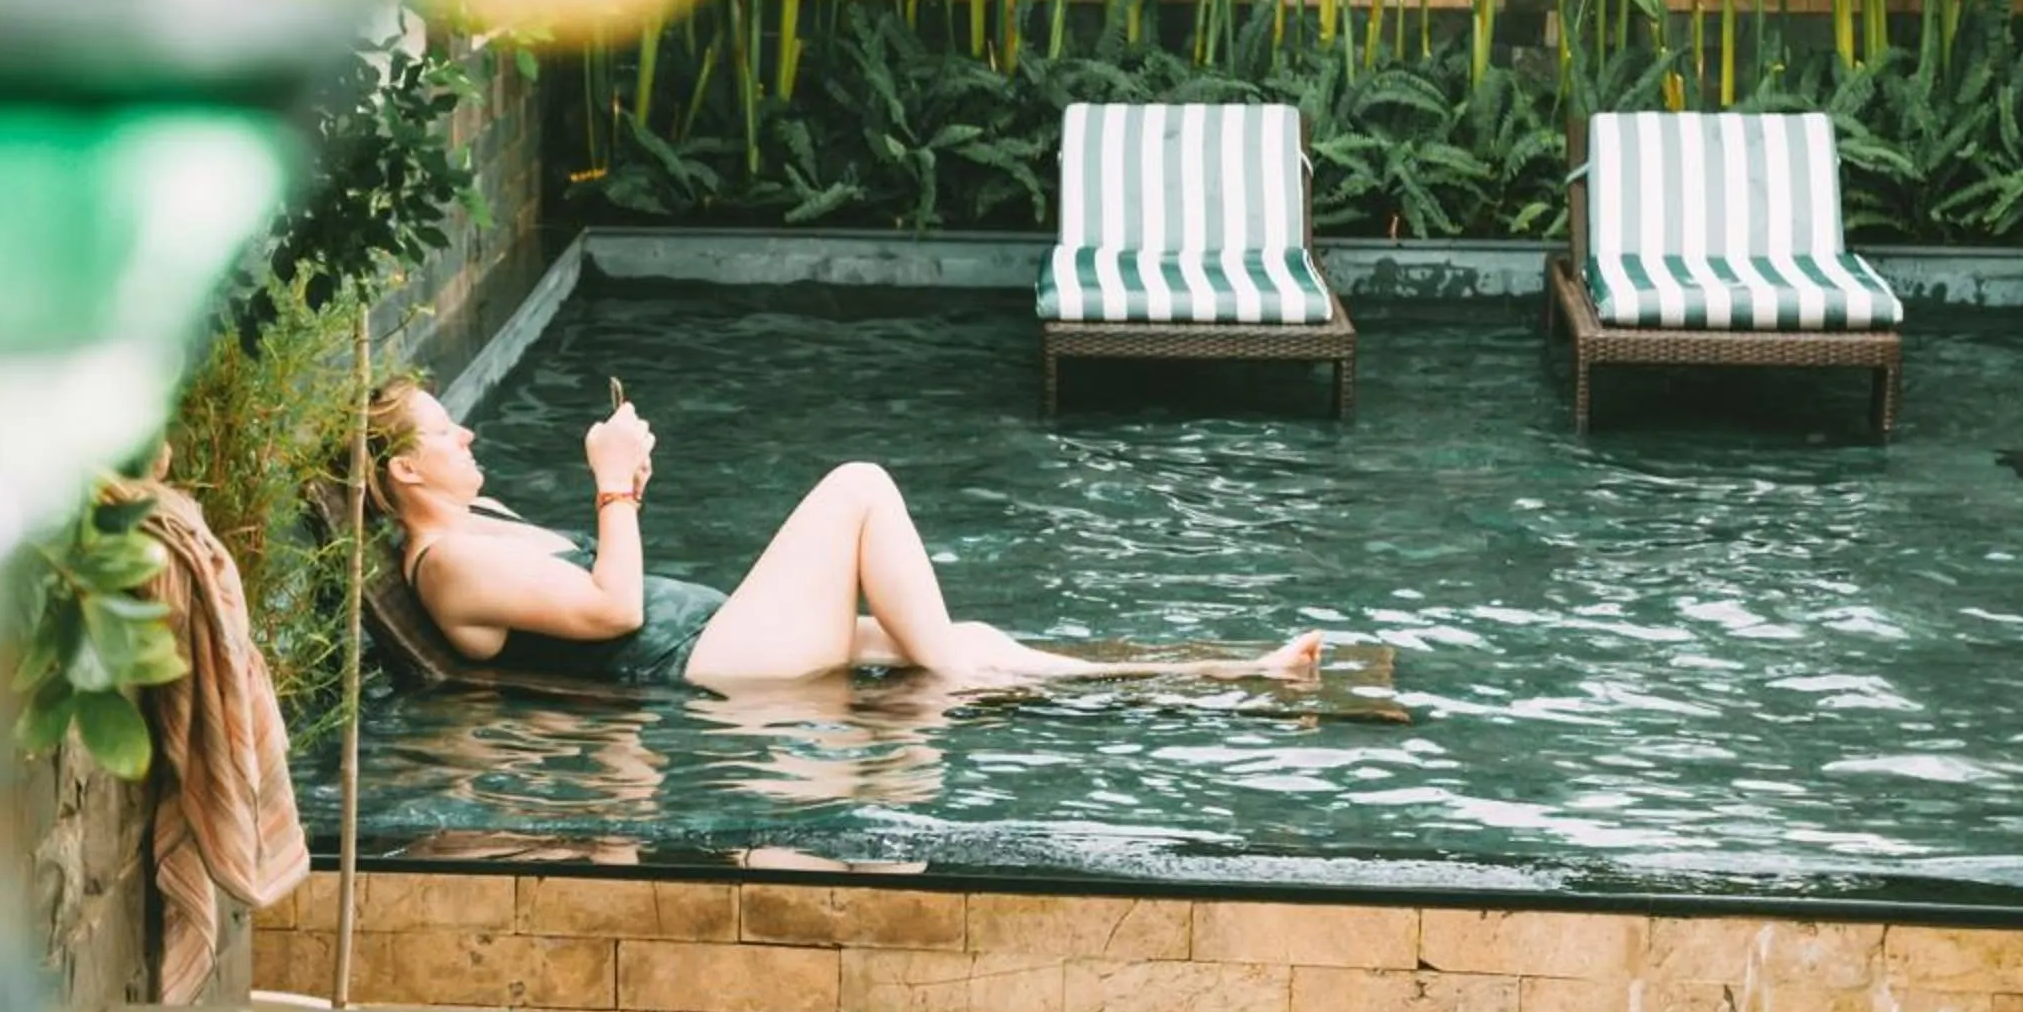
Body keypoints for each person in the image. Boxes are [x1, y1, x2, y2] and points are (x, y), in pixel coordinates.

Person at [362, 376, 1323, 693]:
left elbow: (601, 581)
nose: (467, 434)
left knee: (972, 641)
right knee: (859, 486)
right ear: (406, 470)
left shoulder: (479, 523)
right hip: (707, 665)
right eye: (446, 432)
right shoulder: (447, 569)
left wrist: (629, 490)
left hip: (721, 629)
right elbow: (613, 612)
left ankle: (1220, 677)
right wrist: (611, 487)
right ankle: (946, 685)